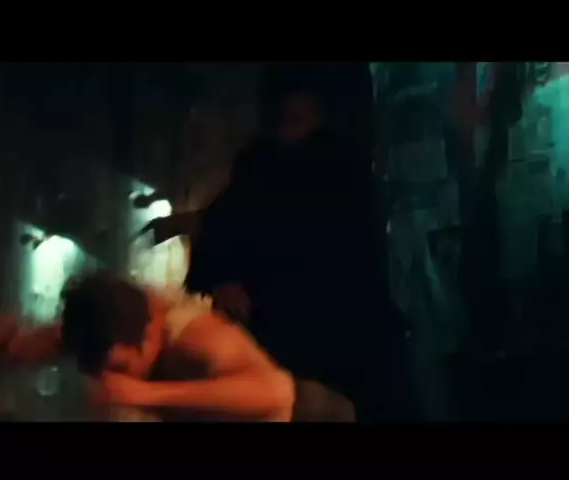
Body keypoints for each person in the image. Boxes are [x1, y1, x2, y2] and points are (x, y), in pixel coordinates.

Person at [143, 64, 413, 422]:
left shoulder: (343, 165)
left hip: (336, 328)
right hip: (277, 326)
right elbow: (225, 223)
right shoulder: (259, 162)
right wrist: (223, 278)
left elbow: (359, 252)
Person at [0, 271, 355, 422]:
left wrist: (145, 394)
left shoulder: (200, 343)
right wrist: (16, 348)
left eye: (120, 369)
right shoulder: (121, 322)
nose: (113, 380)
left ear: (147, 339)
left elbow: (277, 392)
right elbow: (75, 335)